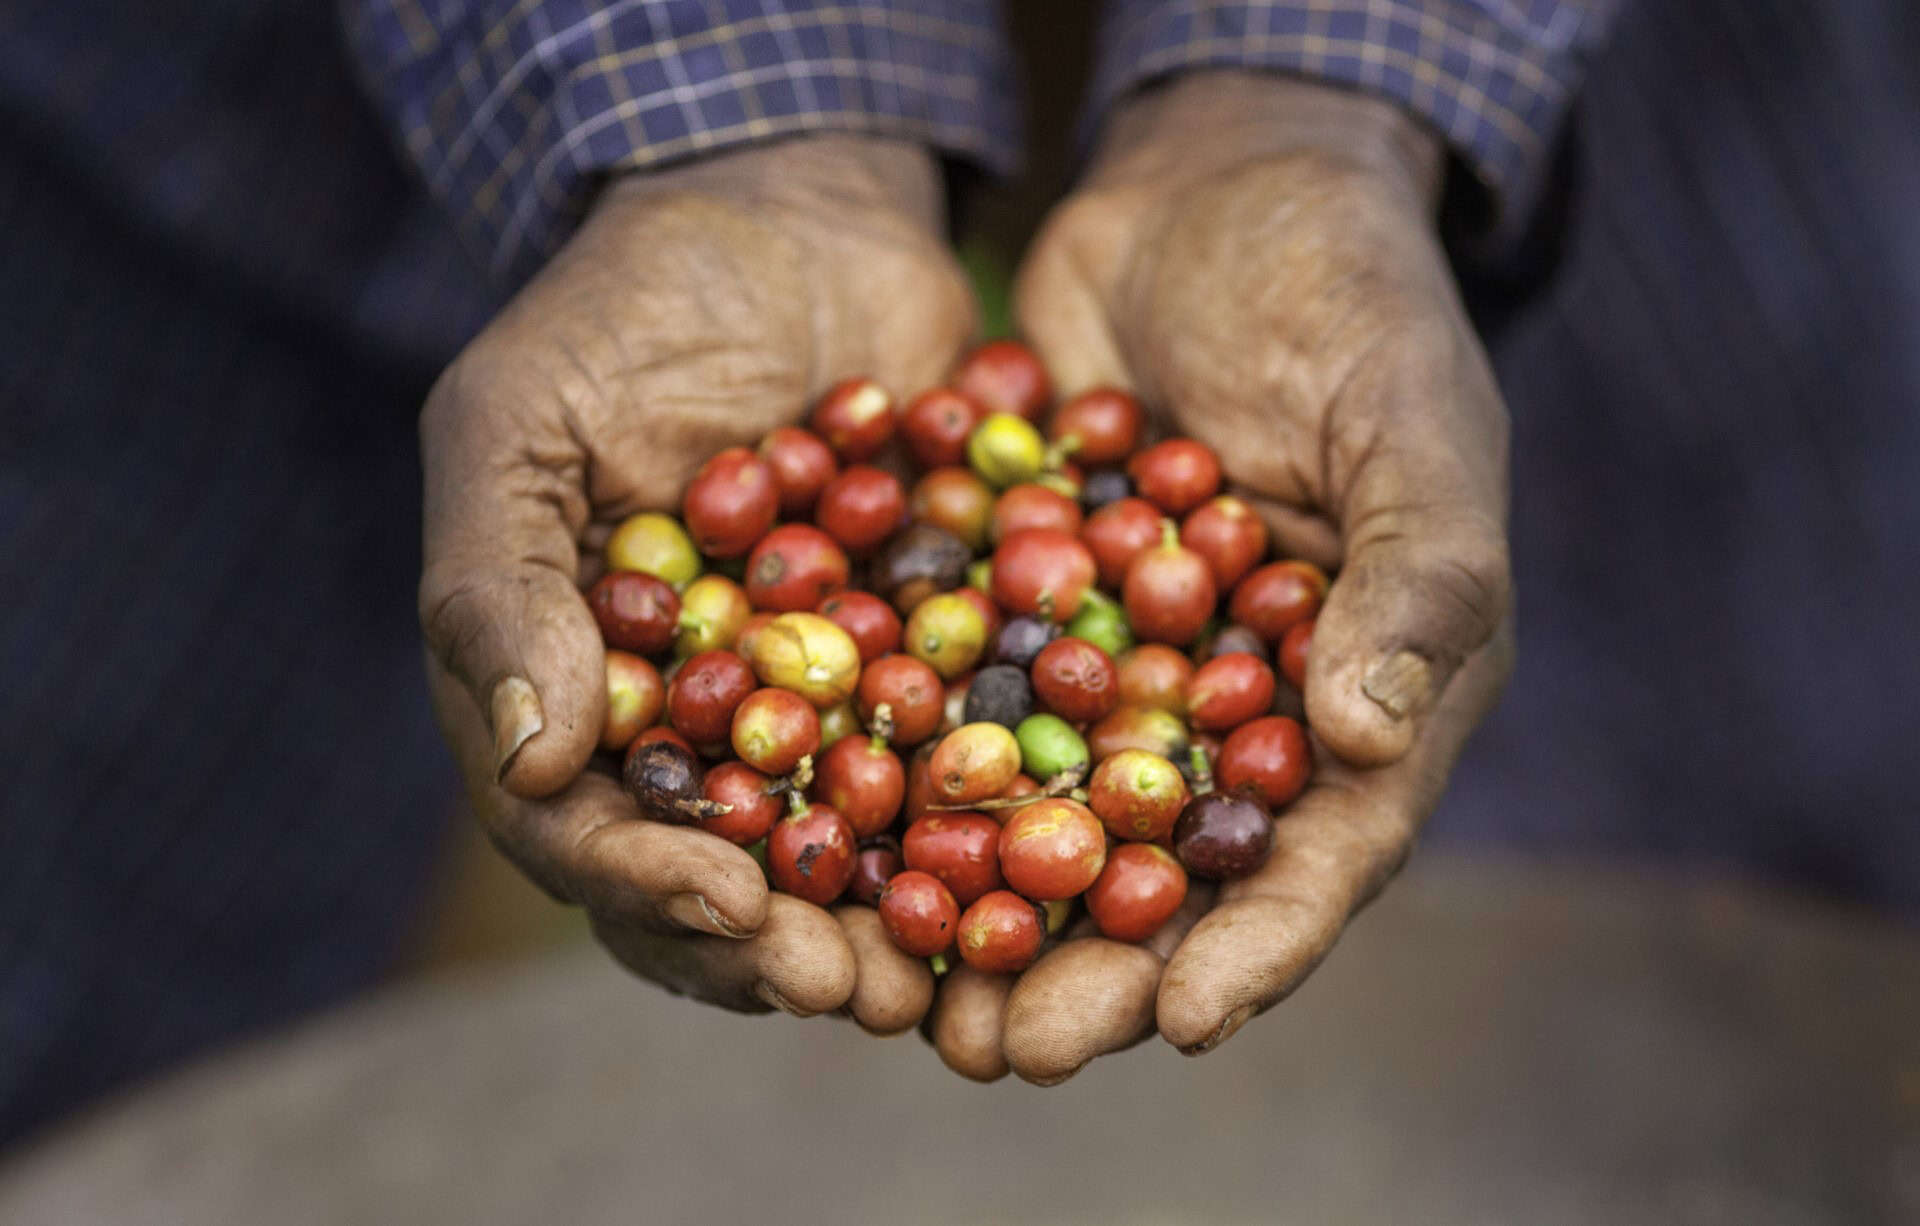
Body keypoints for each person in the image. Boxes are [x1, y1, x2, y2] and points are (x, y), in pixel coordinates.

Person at [7, 0, 1918, 1141]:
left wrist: (1323, 83)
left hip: (1676, 116)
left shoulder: (1024, 688)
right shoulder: (993, 690)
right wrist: (723, 116)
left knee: (1721, 973)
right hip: (234, 118)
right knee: (97, 914)